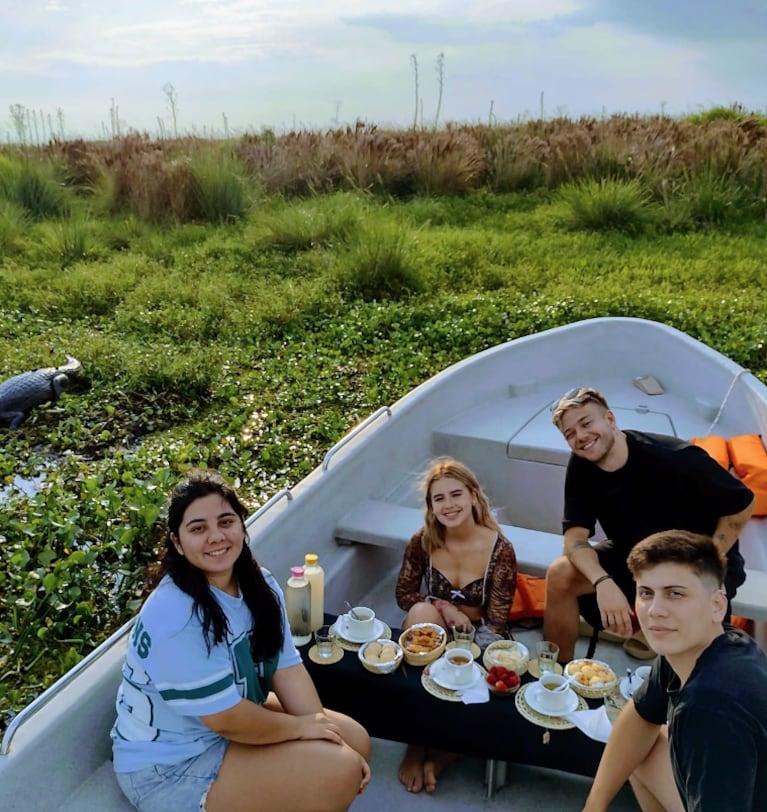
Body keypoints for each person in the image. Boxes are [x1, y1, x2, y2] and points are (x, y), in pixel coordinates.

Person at [111, 469, 371, 812]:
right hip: (169, 767)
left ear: (242, 526)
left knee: (354, 741)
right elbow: (226, 719)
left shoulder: (259, 585)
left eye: (226, 521)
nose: (216, 536)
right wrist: (302, 731)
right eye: (198, 528)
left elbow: (288, 670)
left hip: (219, 724)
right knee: (340, 770)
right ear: (177, 542)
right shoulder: (174, 615)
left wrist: (320, 729)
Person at [546, 387, 755, 663]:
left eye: (586, 423)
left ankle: (688, 685)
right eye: (570, 433)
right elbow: (574, 539)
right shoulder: (583, 464)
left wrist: (710, 558)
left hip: (694, 559)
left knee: (698, 645)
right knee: (561, 574)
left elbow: (742, 502)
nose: (581, 436)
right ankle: (556, 678)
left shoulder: (674, 457)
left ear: (609, 419)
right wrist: (603, 581)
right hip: (637, 555)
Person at [583, 529, 767, 812]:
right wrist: (594, 806)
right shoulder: (707, 643)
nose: (655, 610)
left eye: (675, 594)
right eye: (646, 593)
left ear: (717, 605)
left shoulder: (710, 705)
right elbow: (638, 718)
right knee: (644, 747)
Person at [395, 458, 517, 793]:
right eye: (439, 499)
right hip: (436, 629)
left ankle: (446, 753)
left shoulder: (500, 549)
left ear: (474, 496)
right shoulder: (423, 540)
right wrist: (443, 606)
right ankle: (417, 744)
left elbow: (497, 619)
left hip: (483, 633)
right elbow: (404, 593)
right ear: (431, 506)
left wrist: (464, 653)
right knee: (421, 614)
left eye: (456, 494)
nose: (449, 505)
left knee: (480, 680)